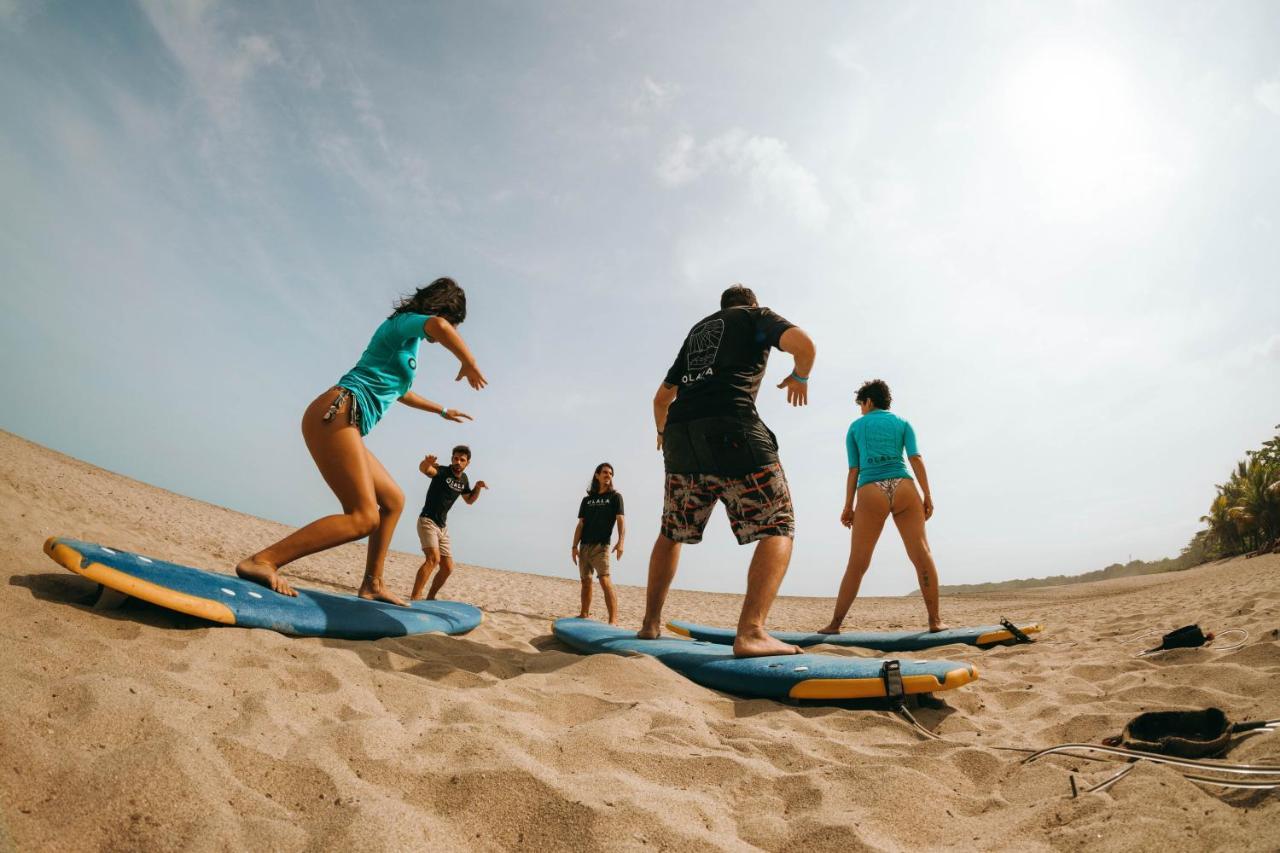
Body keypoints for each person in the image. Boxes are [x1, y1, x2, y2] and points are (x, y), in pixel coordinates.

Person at [236, 278, 486, 604]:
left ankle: (372, 583)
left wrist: (441, 410)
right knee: (363, 516)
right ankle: (263, 561)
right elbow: (438, 325)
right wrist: (468, 362)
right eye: (454, 321)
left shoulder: (408, 343)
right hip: (336, 412)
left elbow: (401, 392)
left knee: (393, 500)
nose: (449, 330)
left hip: (346, 421)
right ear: (444, 308)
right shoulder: (402, 324)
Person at [639, 284, 816, 658]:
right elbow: (804, 345)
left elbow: (660, 399)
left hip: (680, 433)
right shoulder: (755, 316)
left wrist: (662, 434)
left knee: (672, 531)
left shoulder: (698, 331)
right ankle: (751, 632)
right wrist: (800, 376)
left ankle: (650, 624)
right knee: (778, 523)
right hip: (732, 427)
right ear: (750, 303)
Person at [818, 379, 946, 634]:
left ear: (868, 401)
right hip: (904, 486)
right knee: (921, 554)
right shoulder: (903, 423)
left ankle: (834, 625)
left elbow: (854, 469)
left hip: (870, 489)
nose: (860, 410)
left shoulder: (855, 427)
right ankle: (935, 621)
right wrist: (927, 494)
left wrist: (847, 505)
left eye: (861, 405)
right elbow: (915, 458)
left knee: (858, 563)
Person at [411, 445, 487, 600]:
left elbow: (469, 500)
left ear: (467, 463)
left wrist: (478, 488)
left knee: (447, 567)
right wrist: (426, 463)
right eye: (456, 458)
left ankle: (430, 597)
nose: (458, 462)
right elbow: (426, 470)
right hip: (428, 520)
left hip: (442, 526)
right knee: (433, 559)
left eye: (462, 460)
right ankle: (415, 597)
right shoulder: (442, 471)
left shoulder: (464, 480)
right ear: (452, 459)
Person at [571, 462, 625, 624]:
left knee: (604, 580)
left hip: (601, 546)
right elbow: (581, 524)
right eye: (605, 472)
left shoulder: (615, 497)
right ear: (597, 475)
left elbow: (621, 520)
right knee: (585, 581)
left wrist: (620, 541)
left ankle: (613, 620)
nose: (608, 475)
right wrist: (574, 546)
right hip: (584, 546)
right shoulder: (587, 500)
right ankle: (584, 614)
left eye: (610, 473)